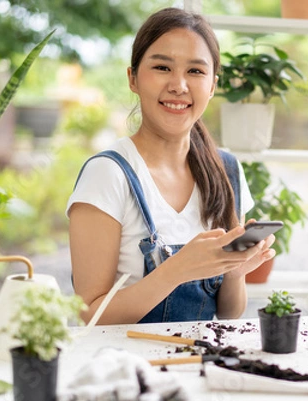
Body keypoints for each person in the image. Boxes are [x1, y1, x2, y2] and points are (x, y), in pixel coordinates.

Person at [66, 7, 276, 325]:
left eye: (195, 71)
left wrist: (234, 272)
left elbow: (230, 311)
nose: (179, 85)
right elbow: (88, 316)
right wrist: (176, 271)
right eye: (162, 67)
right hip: (124, 367)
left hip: (200, 364)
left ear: (213, 85)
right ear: (133, 78)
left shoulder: (227, 171)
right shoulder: (108, 174)